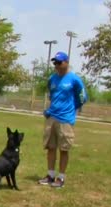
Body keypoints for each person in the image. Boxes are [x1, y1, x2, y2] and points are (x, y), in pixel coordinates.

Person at [38, 52, 88, 188]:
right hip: (51, 118)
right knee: (51, 147)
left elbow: (83, 97)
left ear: (66, 62)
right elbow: (52, 96)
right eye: (55, 63)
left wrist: (72, 109)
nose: (57, 65)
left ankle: (61, 178)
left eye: (59, 62)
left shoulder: (74, 79)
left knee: (64, 149)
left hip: (65, 120)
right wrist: (49, 110)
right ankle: (50, 175)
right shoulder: (52, 79)